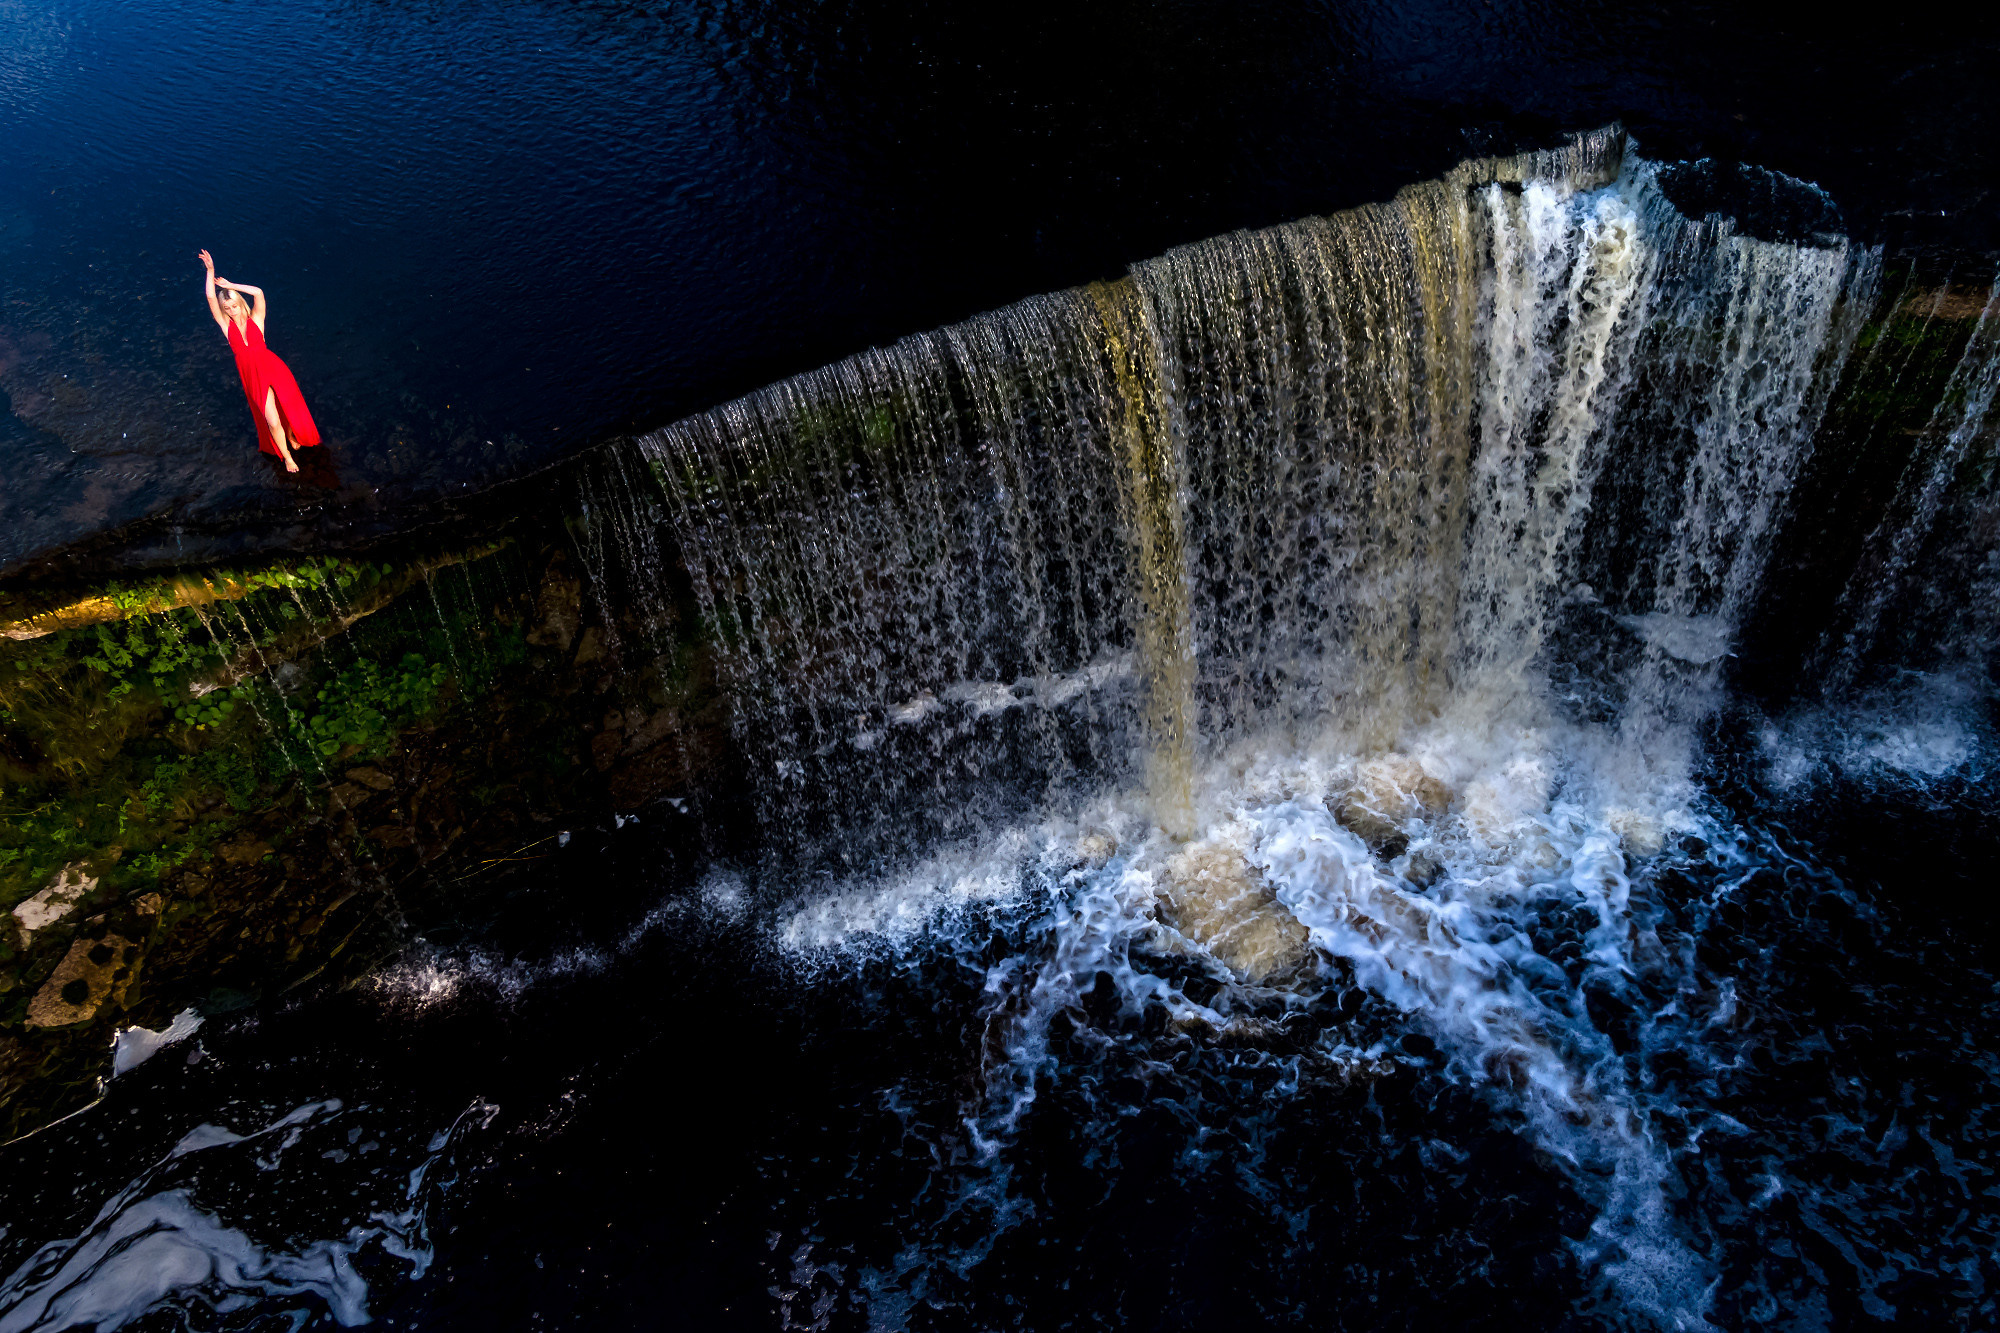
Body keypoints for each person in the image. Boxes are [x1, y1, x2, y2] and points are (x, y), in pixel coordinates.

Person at [198, 249, 321, 473]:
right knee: (272, 420)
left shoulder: (256, 318)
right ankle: (287, 457)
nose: (231, 310)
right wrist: (210, 271)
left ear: (239, 302)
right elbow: (210, 298)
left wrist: (230, 286)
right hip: (253, 377)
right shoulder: (226, 326)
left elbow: (258, 292)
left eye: (234, 305)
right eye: (227, 308)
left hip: (274, 368)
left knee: (287, 405)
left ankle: (291, 434)